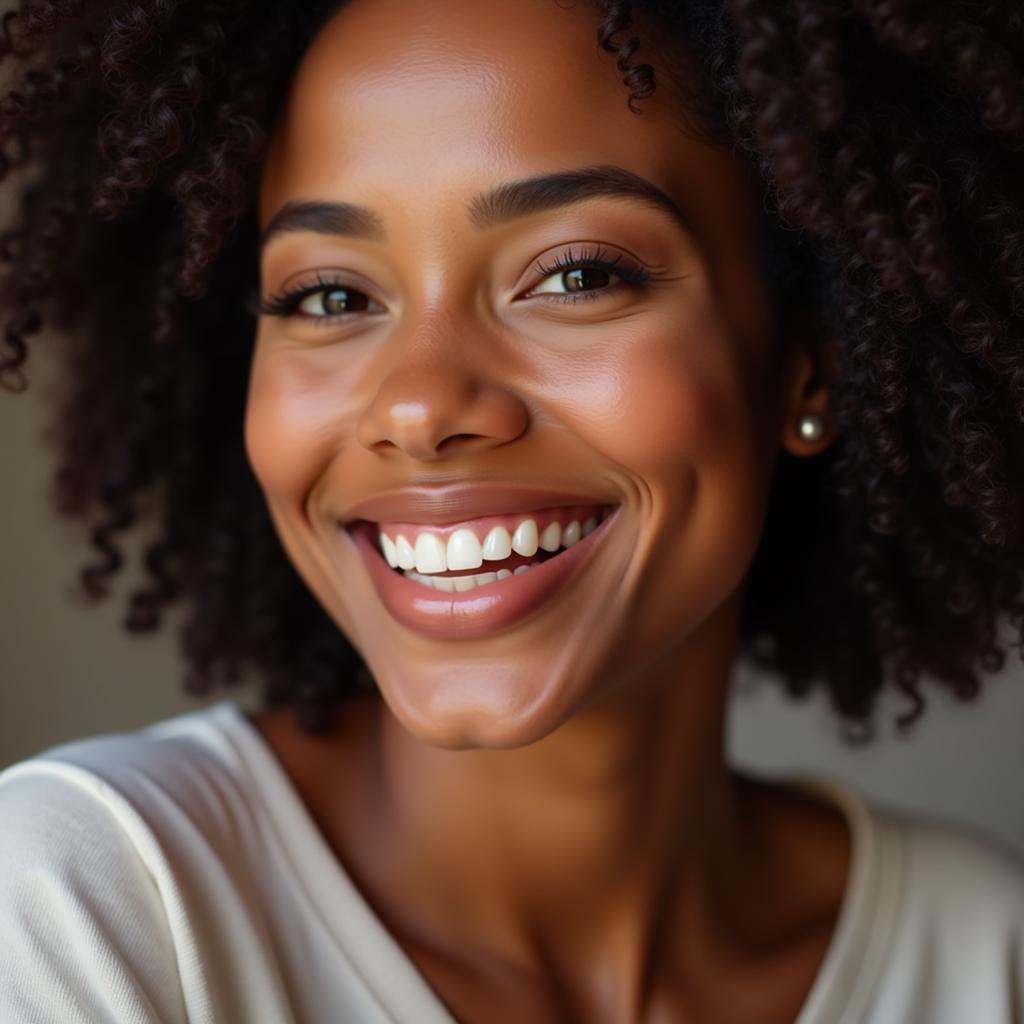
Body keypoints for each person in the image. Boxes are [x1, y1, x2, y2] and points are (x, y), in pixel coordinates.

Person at [1, 0, 1023, 1020]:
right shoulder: (92, 910)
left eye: (575, 276)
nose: (418, 404)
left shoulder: (982, 955)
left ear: (808, 372)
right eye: (328, 296)